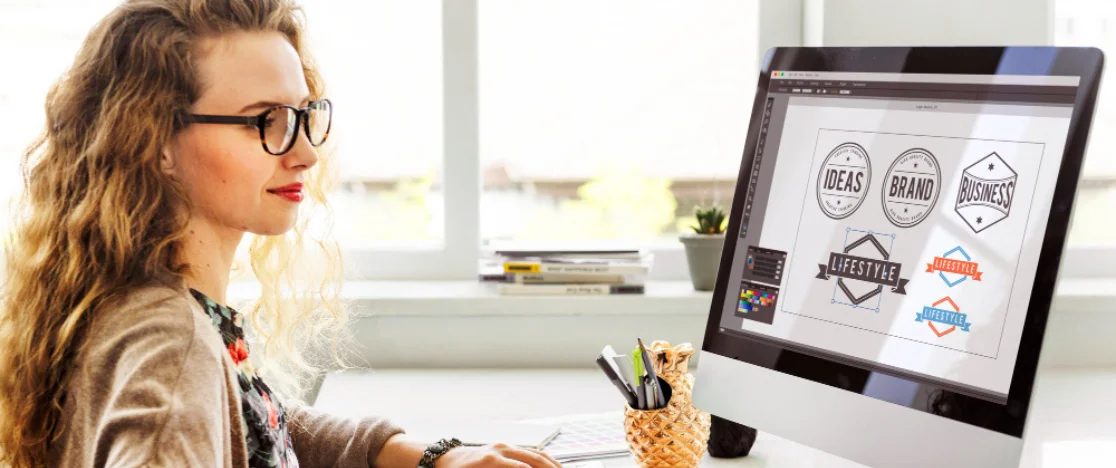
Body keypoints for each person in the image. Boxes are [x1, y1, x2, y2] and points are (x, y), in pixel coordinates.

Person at [0, 1, 563, 467]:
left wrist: (428, 455)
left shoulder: (139, 301)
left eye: (302, 114)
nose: (305, 153)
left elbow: (255, 421)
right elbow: (185, 399)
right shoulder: (171, 344)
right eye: (264, 120)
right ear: (156, 141)